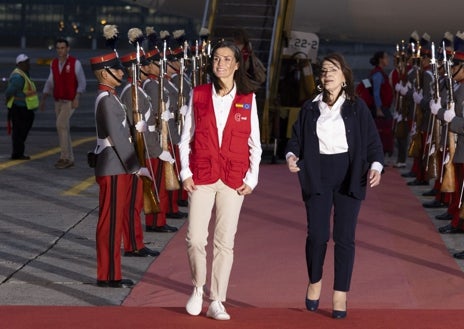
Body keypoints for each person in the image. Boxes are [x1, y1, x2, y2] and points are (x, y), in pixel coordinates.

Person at [285, 53, 384, 319]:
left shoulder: (356, 107)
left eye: (333, 70)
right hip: (317, 174)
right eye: (324, 70)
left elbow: (373, 143)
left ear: (344, 76)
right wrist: (291, 156)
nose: (327, 74)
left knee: (344, 238)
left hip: (349, 174)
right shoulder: (309, 107)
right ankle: (315, 280)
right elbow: (294, 140)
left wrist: (375, 167)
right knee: (317, 235)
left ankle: (340, 293)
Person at [179, 40, 262, 320]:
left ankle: (217, 300)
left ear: (237, 65)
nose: (221, 63)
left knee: (225, 242)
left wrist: (252, 178)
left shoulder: (247, 99)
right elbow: (185, 138)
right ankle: (197, 288)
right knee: (194, 238)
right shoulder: (199, 94)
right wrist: (185, 172)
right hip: (202, 175)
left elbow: (256, 144)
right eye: (216, 58)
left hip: (233, 177)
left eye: (227, 59)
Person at [89, 50, 152, 288]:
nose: (120, 72)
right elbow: (117, 137)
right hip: (114, 166)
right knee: (111, 223)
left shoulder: (112, 97)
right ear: (105, 73)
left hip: (117, 166)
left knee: (113, 222)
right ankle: (107, 275)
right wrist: (135, 167)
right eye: (116, 69)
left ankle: (111, 273)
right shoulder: (105, 99)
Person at [39, 38, 87, 169]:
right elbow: (50, 81)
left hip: (69, 101)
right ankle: (69, 158)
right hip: (58, 101)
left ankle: (64, 157)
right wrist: (44, 98)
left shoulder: (75, 63)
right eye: (58, 48)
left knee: (60, 125)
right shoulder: (54, 63)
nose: (60, 50)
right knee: (64, 129)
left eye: (63, 48)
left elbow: (82, 82)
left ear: (68, 49)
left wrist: (77, 97)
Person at [5, 53, 39, 160]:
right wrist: (7, 100)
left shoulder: (24, 74)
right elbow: (9, 91)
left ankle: (18, 152)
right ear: (19, 64)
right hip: (20, 108)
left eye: (28, 61)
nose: (29, 64)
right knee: (19, 131)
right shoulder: (18, 76)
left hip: (25, 107)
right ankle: (17, 153)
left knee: (21, 131)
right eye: (26, 62)